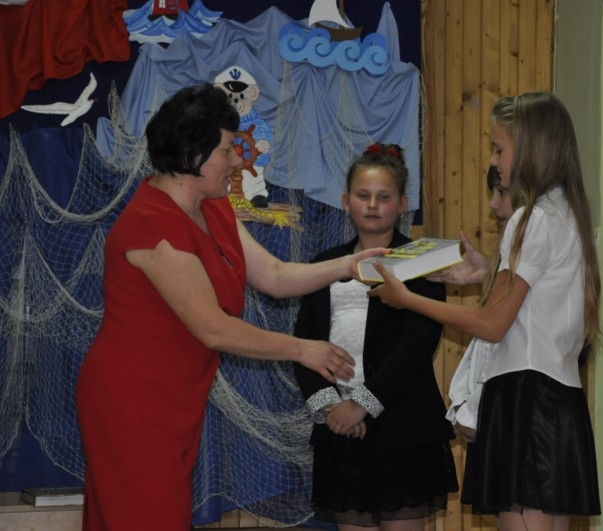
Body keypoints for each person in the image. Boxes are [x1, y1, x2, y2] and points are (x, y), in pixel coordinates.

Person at [75, 84, 386, 531]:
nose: (238, 161)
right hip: (133, 401)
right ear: (191, 155)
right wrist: (303, 349)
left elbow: (274, 275)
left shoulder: (213, 206)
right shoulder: (151, 226)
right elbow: (214, 329)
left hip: (175, 396)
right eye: (226, 150)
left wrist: (347, 265)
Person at [368, 92, 602, 531]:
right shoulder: (566, 212)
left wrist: (408, 299)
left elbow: (494, 325)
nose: (494, 161)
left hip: (527, 400)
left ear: (530, 148)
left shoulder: (531, 218)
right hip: (560, 399)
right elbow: (542, 295)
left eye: (498, 148)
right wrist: (488, 270)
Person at [292, 142, 458, 530]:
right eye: (363, 196)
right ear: (346, 201)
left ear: (402, 204)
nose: (372, 205)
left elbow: (418, 343)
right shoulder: (325, 264)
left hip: (403, 424)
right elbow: (305, 342)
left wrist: (362, 404)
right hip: (341, 425)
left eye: (384, 197)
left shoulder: (422, 262)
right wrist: (332, 409)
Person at [445, 165, 514, 443]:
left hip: (503, 417)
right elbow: (481, 353)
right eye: (493, 192)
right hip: (487, 415)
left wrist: (472, 412)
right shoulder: (506, 263)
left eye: (502, 192)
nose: (493, 204)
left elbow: (505, 350)